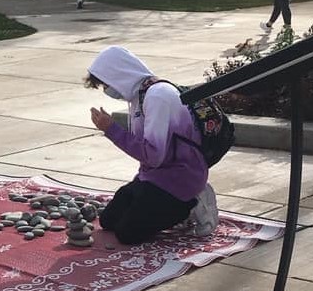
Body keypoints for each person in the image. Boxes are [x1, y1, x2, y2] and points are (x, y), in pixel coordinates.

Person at [84, 46, 219, 244]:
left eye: (106, 84)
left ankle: (192, 203)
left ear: (119, 75)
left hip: (180, 178)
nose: (107, 90)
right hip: (155, 176)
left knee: (128, 234)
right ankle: (161, 205)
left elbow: (154, 155)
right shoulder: (139, 95)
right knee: (109, 220)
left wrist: (111, 130)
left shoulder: (157, 96)